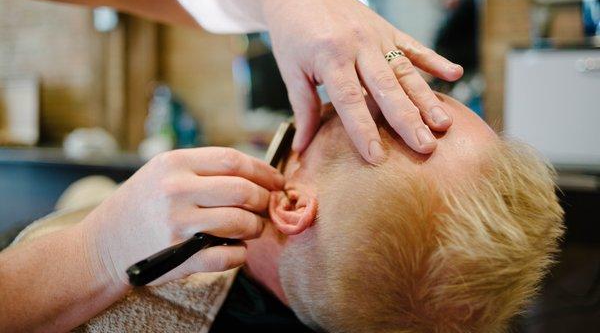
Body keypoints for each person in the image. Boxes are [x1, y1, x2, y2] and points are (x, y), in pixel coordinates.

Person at [4, 94, 564, 332]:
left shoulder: (133, 313)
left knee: (85, 195)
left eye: (402, 114)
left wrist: (96, 249)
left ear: (292, 203)